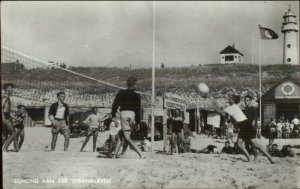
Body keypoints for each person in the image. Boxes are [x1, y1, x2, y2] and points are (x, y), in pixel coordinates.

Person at [213, 95, 274, 163]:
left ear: (233, 101)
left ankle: (251, 158)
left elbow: (222, 113)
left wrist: (214, 107)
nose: (228, 100)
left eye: (230, 99)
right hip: (245, 125)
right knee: (248, 144)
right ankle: (269, 158)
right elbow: (227, 115)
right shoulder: (235, 107)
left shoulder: (232, 107)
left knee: (247, 144)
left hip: (245, 125)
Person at [111, 76, 142, 159]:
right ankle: (114, 156)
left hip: (124, 114)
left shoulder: (121, 92)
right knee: (122, 136)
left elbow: (115, 105)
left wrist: (113, 115)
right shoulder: (137, 95)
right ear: (134, 84)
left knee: (126, 137)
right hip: (132, 115)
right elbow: (138, 110)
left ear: (127, 84)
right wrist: (138, 122)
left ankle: (140, 154)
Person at [2, 83, 19, 152]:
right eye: (10, 89)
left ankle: (4, 149)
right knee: (13, 133)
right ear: (6, 89)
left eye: (12, 89)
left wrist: (15, 118)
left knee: (5, 136)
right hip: (4, 118)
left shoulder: (7, 97)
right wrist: (3, 119)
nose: (11, 90)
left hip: (6, 117)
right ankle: (5, 149)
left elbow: (8, 112)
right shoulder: (5, 97)